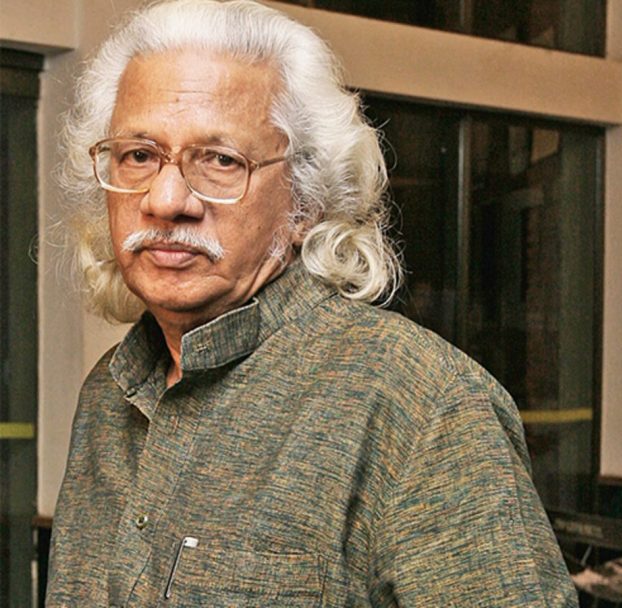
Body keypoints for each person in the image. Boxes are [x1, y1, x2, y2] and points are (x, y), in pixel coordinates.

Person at [46, 1, 578, 606]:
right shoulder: (106, 396)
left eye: (220, 160)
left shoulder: (424, 408)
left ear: (305, 202)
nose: (165, 200)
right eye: (139, 155)